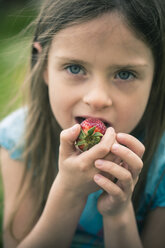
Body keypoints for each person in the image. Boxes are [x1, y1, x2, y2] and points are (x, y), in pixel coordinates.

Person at [0, 0, 165, 247]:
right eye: (75, 68)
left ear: (155, 78)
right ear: (44, 65)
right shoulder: (19, 140)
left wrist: (118, 214)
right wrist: (69, 192)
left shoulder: (161, 162)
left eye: (124, 74)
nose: (97, 98)